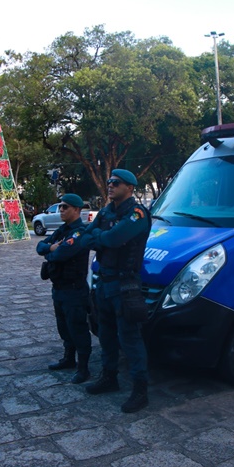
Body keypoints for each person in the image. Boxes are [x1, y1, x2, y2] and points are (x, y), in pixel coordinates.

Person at [81, 169, 152, 413]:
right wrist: (103, 235)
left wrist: (101, 236)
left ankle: (140, 390)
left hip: (125, 285)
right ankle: (108, 377)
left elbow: (112, 240)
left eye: (116, 183)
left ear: (130, 188)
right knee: (106, 335)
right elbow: (86, 238)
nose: (110, 185)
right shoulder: (106, 211)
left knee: (130, 339)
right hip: (104, 283)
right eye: (109, 181)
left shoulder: (137, 213)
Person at [36, 193, 92, 384]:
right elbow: (40, 246)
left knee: (78, 328)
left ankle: (83, 368)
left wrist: (51, 252)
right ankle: (68, 358)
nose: (61, 210)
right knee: (63, 326)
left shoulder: (79, 232)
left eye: (65, 207)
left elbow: (62, 254)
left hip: (74, 289)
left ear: (76, 210)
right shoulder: (62, 230)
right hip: (59, 287)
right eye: (60, 207)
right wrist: (50, 248)